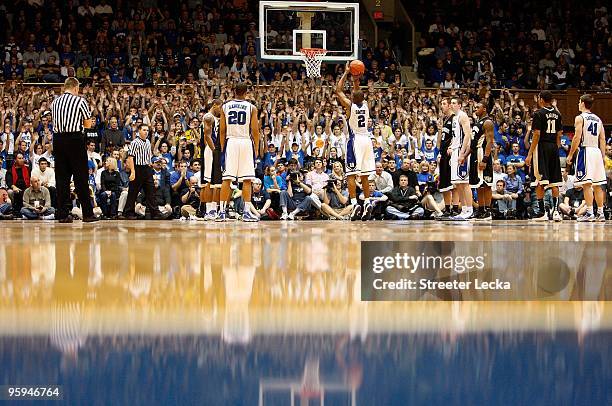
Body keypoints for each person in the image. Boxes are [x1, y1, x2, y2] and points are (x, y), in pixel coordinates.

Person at [50, 77, 97, 223]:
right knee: (81, 177)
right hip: (75, 139)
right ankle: (88, 214)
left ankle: (63, 214)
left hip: (58, 139)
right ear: (76, 88)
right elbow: (88, 124)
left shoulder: (54, 102)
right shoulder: (80, 101)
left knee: (62, 178)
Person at [336, 62, 376, 221]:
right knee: (365, 175)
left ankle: (354, 203)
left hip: (355, 141)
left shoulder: (350, 106)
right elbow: (357, 90)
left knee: (351, 174)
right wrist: (356, 78)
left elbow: (338, 90)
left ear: (352, 98)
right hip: (367, 139)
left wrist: (346, 73)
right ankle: (366, 201)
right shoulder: (365, 105)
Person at [218, 82, 260, 222]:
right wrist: (256, 149)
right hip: (246, 142)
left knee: (227, 178)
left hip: (231, 141)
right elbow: (255, 131)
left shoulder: (225, 106)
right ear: (246, 92)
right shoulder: (251, 108)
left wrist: (223, 148)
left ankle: (222, 212)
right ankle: (247, 213)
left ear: (233, 91)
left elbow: (222, 131)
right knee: (247, 179)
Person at [566, 94, 607, 222]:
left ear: (583, 103)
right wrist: (603, 156)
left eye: (579, 101)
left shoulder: (580, 117)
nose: (578, 104)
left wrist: (571, 154)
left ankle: (589, 213)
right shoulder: (598, 119)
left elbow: (577, 137)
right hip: (597, 152)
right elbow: (602, 139)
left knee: (587, 184)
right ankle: (600, 213)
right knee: (598, 185)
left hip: (586, 150)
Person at [525, 90, 563, 221]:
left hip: (542, 147)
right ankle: (556, 212)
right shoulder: (558, 114)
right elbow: (559, 134)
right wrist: (556, 148)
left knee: (539, 181)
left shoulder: (538, 113)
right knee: (555, 182)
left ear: (541, 99)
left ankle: (542, 212)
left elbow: (536, 135)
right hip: (553, 147)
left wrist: (529, 154)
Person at [121, 124, 164, 220]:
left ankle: (155, 213)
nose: (146, 132)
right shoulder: (135, 142)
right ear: (139, 131)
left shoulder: (148, 142)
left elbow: (148, 156)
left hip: (147, 169)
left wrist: (150, 165)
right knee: (133, 192)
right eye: (144, 130)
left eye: (147, 130)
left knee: (151, 192)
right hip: (137, 168)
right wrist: (132, 172)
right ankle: (128, 213)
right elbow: (130, 158)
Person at [469, 99, 495, 220]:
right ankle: (481, 210)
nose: (475, 109)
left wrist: (485, 159)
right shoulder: (477, 122)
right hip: (475, 154)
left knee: (487, 183)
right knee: (478, 184)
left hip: (482, 153)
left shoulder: (488, 122)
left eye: (477, 107)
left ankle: (488, 211)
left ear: (484, 109)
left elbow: (490, 141)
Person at [449, 97, 474, 220]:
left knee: (464, 182)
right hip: (455, 150)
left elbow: (467, 135)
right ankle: (463, 209)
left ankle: (469, 209)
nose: (451, 105)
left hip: (461, 150)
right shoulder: (454, 118)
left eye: (454, 103)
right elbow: (455, 136)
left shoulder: (463, 116)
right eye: (451, 103)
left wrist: (462, 153)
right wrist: (451, 147)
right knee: (458, 183)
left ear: (460, 105)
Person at [200, 99, 223, 220]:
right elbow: (207, 136)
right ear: (215, 105)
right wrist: (214, 150)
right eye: (220, 107)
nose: (221, 110)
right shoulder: (208, 117)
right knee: (209, 181)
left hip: (212, 150)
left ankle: (211, 209)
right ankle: (209, 210)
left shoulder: (213, 118)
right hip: (210, 150)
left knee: (213, 181)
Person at [437, 98, 456, 219]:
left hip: (451, 155)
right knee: (444, 184)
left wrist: (452, 147)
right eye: (441, 104)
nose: (442, 106)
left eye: (444, 104)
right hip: (443, 154)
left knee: (453, 184)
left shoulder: (455, 119)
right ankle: (447, 209)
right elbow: (441, 141)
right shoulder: (445, 120)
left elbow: (457, 136)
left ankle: (454, 209)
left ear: (449, 105)